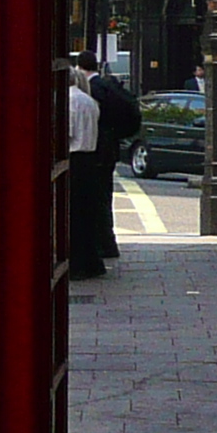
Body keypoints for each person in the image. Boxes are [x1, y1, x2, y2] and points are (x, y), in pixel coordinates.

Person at [88, 54, 143, 261]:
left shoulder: (93, 90)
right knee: (104, 197)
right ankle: (107, 242)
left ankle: (102, 243)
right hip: (109, 149)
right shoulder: (110, 88)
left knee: (95, 198)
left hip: (95, 150)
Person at [65, 67, 110, 278]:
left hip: (74, 159)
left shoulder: (69, 101)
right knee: (86, 214)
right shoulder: (89, 100)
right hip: (90, 159)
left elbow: (68, 133)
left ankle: (78, 263)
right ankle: (92, 261)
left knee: (73, 215)